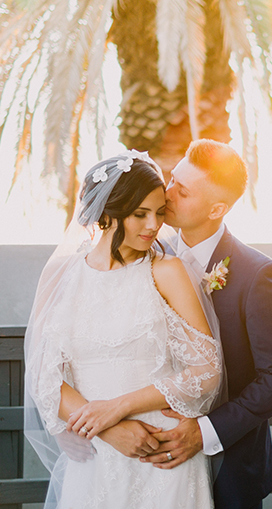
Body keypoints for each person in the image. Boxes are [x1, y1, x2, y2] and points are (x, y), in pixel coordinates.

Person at [24, 150, 224, 509]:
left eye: (159, 213)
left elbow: (207, 370)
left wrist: (118, 407)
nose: (153, 226)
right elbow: (43, 373)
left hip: (161, 451)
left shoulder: (166, 271)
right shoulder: (60, 276)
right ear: (107, 211)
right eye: (139, 214)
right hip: (97, 451)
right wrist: (108, 429)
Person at [141, 139, 272, 509]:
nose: (167, 193)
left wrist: (204, 433)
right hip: (151, 457)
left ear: (217, 208)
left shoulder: (257, 274)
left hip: (228, 462)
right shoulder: (145, 256)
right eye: (172, 180)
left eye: (183, 190)